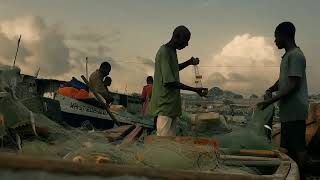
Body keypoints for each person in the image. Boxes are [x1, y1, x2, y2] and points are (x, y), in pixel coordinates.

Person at [256, 22, 310, 176]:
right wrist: (272, 89)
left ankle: (305, 175)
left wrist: (269, 101)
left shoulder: (296, 56)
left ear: (284, 35)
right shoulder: (288, 56)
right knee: (288, 150)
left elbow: (293, 85)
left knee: (299, 150)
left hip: (295, 111)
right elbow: (284, 80)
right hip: (288, 112)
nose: (274, 41)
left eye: (275, 37)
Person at [150, 25, 208, 136]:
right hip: (164, 105)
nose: (186, 44)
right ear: (176, 37)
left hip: (172, 106)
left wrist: (189, 62)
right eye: (185, 40)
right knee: (163, 142)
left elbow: (174, 68)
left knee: (171, 143)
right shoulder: (164, 52)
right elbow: (169, 82)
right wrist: (195, 90)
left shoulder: (172, 51)